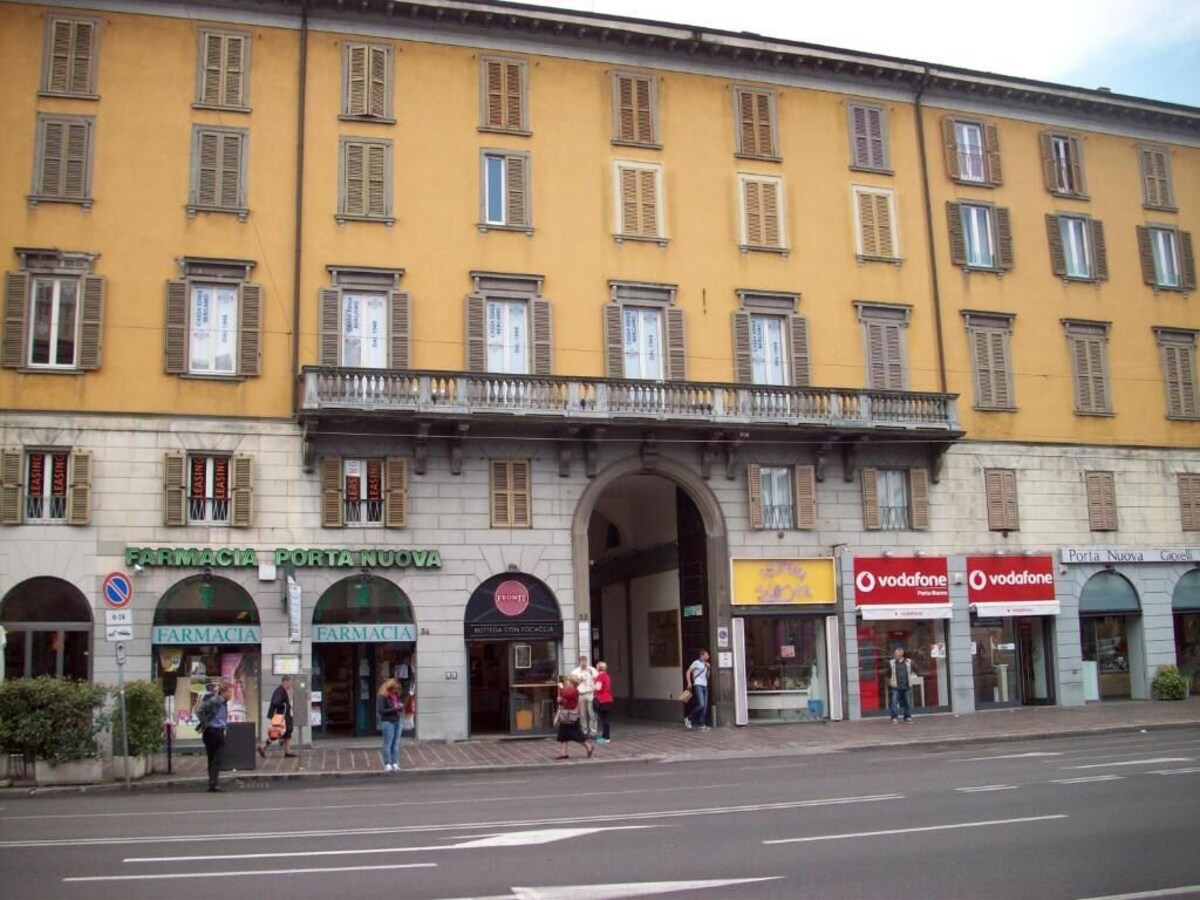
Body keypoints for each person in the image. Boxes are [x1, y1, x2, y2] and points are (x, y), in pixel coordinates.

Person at [196, 680, 235, 792]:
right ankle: (213, 783)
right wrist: (205, 723)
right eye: (229, 692)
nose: (231, 695)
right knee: (214, 758)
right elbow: (200, 711)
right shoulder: (214, 701)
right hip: (212, 731)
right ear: (223, 692)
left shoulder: (223, 703)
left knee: (215, 758)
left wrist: (224, 728)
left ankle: (213, 782)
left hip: (219, 731)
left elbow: (221, 717)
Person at [555, 674, 594, 760]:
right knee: (563, 734)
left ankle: (589, 746)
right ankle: (564, 753)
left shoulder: (574, 691)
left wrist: (561, 688)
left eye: (568, 681)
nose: (566, 683)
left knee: (577, 735)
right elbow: (565, 699)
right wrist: (560, 700)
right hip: (565, 715)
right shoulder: (567, 690)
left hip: (571, 716)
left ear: (572, 683)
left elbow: (567, 695)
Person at [258, 674, 296, 759]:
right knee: (275, 733)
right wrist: (285, 705)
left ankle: (288, 751)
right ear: (285, 682)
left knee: (288, 732)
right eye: (290, 682)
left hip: (283, 716)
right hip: (280, 716)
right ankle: (262, 747)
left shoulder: (282, 690)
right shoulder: (280, 691)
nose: (291, 685)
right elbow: (276, 702)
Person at [377, 678, 404, 771]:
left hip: (397, 720)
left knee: (395, 743)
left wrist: (400, 707)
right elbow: (381, 711)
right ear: (388, 688)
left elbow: (399, 709)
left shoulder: (396, 695)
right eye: (393, 689)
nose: (395, 691)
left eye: (396, 689)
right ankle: (387, 763)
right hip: (388, 721)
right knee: (387, 743)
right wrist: (394, 708)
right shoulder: (382, 696)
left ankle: (395, 762)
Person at [570, 655, 599, 739]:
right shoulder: (575, 672)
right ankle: (584, 731)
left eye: (585, 661)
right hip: (581, 694)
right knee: (582, 714)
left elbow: (598, 680)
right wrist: (579, 680)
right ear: (579, 662)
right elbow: (572, 684)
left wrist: (594, 685)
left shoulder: (592, 670)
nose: (584, 663)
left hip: (590, 693)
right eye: (582, 662)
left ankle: (593, 732)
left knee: (592, 713)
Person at [888, 647, 919, 723]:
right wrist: (891, 681)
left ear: (901, 654)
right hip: (896, 687)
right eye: (895, 654)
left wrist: (914, 676)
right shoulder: (891, 663)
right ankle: (894, 717)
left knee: (907, 703)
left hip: (906, 686)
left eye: (896, 653)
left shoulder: (908, 662)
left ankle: (907, 716)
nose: (895, 655)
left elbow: (917, 670)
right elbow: (888, 673)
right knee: (894, 702)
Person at [684, 649, 711, 731]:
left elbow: (707, 677)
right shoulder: (696, 663)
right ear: (702, 655)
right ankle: (688, 718)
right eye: (706, 655)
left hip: (705, 685)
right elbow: (688, 672)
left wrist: (708, 669)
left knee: (705, 706)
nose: (708, 656)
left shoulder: (707, 664)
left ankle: (701, 724)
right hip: (698, 685)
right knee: (701, 704)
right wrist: (689, 682)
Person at [593, 661, 614, 743]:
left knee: (604, 719)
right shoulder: (607, 676)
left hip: (602, 700)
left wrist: (592, 685)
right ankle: (605, 735)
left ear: (598, 668)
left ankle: (606, 737)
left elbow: (598, 688)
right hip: (609, 699)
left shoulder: (600, 676)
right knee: (606, 718)